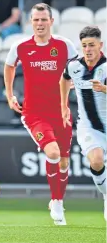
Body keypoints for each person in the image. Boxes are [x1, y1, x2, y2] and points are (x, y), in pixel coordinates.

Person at [4, 3, 78, 225]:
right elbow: (9, 67)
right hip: (34, 113)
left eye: (43, 19)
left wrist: (74, 81)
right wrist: (10, 96)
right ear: (30, 22)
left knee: (64, 162)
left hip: (61, 112)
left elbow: (76, 68)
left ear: (51, 21)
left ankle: (58, 199)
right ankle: (56, 202)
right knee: (53, 153)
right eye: (35, 20)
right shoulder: (20, 46)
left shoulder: (65, 45)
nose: (39, 24)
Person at [60, 26, 106, 221]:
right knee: (96, 160)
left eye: (92, 45)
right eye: (85, 45)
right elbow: (63, 80)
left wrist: (104, 89)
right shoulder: (74, 66)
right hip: (88, 126)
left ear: (100, 45)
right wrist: (63, 105)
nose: (88, 49)